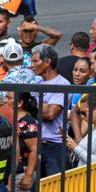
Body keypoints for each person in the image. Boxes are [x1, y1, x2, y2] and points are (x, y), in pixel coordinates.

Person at [32, 44, 71, 178]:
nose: (32, 65)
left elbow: (50, 114)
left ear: (48, 62)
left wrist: (33, 106)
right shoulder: (36, 83)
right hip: (36, 144)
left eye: (35, 61)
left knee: (55, 190)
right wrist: (42, 105)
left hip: (55, 146)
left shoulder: (63, 84)